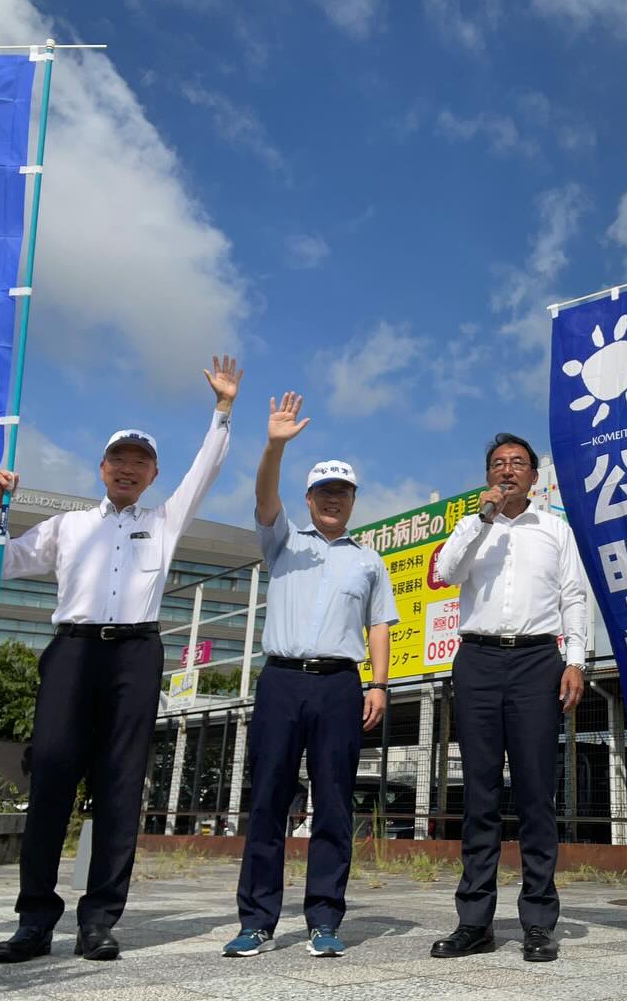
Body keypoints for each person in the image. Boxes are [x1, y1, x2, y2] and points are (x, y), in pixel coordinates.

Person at [0, 355, 242, 963]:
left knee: (121, 786)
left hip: (135, 653)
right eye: (119, 460)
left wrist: (223, 410)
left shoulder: (164, 521)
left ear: (153, 475)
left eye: (140, 462)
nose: (128, 469)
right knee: (50, 776)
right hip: (72, 651)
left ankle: (99, 920)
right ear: (102, 468)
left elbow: (206, 470)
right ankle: (35, 921)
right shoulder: (66, 526)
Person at [223, 391, 397, 958]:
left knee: (335, 801)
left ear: (352, 501)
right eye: (323, 492)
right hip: (281, 680)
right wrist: (274, 445)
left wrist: (378, 683)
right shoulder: (283, 541)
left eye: (341, 494)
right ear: (309, 497)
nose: (332, 501)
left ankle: (324, 918)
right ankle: (256, 921)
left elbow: (379, 625)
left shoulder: (368, 560)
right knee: (269, 798)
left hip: (340, 686)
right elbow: (263, 496)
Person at [429, 432, 587, 963]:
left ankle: (539, 921)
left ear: (534, 477)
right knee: (478, 794)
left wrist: (577, 660)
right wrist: (482, 518)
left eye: (518, 463)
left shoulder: (555, 531)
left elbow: (573, 597)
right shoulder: (473, 526)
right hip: (477, 659)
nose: (508, 470)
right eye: (498, 463)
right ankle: (474, 921)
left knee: (536, 792)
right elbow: (446, 573)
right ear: (488, 475)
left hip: (538, 661)